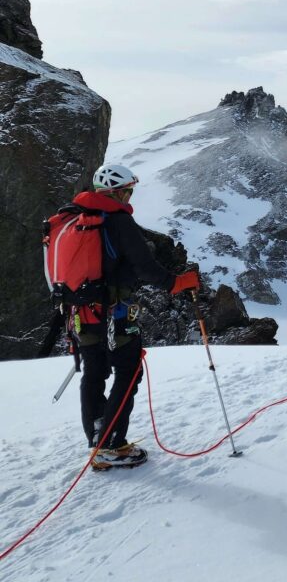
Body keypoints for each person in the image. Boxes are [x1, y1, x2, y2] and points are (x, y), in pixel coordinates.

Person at [55, 164, 199, 471]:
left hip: (80, 313)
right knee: (128, 371)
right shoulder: (118, 221)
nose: (130, 196)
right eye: (128, 190)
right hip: (114, 312)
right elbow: (145, 267)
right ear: (118, 192)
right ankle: (111, 446)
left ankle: (97, 439)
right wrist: (178, 283)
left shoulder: (72, 216)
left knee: (94, 373)